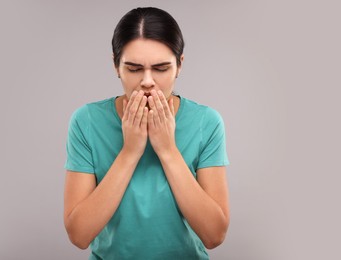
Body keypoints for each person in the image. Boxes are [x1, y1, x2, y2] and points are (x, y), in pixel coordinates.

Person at [63, 7, 230, 260]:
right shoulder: (86, 121)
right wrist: (130, 152)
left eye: (161, 68)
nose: (148, 81)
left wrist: (168, 150)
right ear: (116, 66)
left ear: (179, 65)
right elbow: (79, 235)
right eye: (133, 69)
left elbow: (214, 235)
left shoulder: (206, 122)